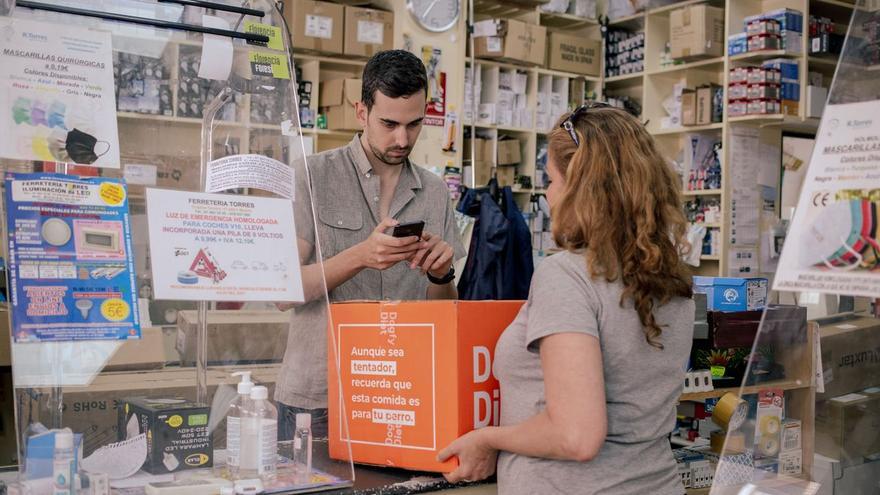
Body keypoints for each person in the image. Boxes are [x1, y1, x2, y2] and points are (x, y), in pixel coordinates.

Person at [438, 104, 694, 494]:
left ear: (581, 189)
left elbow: (577, 435)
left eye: (552, 180)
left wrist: (489, 438)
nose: (548, 193)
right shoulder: (669, 278)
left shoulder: (569, 276)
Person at [275, 50, 466, 440]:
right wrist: (361, 256)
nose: (402, 139)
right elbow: (282, 290)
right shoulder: (311, 176)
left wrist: (441, 273)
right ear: (361, 112)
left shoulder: (433, 192)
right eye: (389, 123)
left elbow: (443, 308)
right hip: (319, 394)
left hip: (401, 390)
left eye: (414, 125)